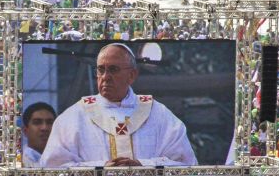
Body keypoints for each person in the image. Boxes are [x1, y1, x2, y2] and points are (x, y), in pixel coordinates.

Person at [40, 44, 197, 169]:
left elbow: (185, 164)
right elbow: (52, 168)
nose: (105, 77)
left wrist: (142, 165)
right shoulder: (73, 117)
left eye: (113, 70)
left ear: (132, 75)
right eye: (101, 70)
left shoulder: (158, 114)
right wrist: (101, 169)